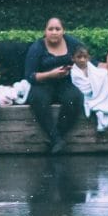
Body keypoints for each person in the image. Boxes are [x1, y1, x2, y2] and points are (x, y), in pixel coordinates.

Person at [24, 17, 86, 152]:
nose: (54, 32)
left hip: (65, 82)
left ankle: (56, 137)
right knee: (38, 99)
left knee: (75, 98)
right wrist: (50, 74)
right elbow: (30, 75)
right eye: (50, 29)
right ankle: (56, 139)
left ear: (63, 31)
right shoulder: (37, 47)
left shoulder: (72, 43)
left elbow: (85, 60)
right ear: (45, 31)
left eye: (58, 29)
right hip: (43, 82)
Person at [70, 43, 108, 132]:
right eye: (79, 57)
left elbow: (97, 76)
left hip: (97, 91)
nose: (82, 60)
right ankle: (101, 107)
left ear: (88, 58)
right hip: (87, 95)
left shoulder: (90, 67)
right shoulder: (74, 72)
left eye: (85, 57)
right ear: (73, 58)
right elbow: (84, 87)